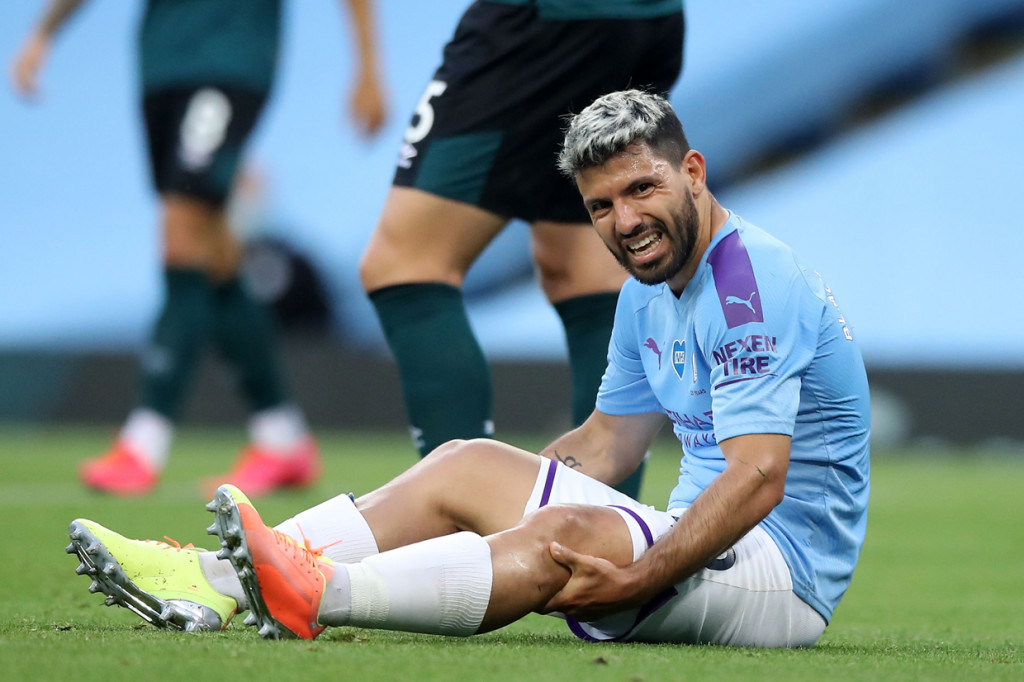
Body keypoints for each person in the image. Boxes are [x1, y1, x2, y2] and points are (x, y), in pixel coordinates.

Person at [66, 90, 870, 647]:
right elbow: (609, 445)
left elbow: (761, 477)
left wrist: (642, 575)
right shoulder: (648, 291)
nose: (625, 222)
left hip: (782, 575)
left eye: (642, 188)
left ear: (692, 171)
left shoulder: (746, 283)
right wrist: (480, 496)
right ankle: (215, 580)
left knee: (562, 533)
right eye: (600, 207)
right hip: (695, 544)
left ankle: (317, 593)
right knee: (465, 462)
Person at [10, 0, 387, 496]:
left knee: (181, 231)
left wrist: (368, 67)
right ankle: (283, 437)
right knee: (216, 253)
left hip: (231, 60)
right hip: (161, 66)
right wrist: (45, 31)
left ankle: (144, 440)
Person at [359, 0, 686, 498]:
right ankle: (601, 537)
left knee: (404, 266)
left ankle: (467, 522)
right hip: (651, 18)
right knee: (582, 269)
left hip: (540, 22)